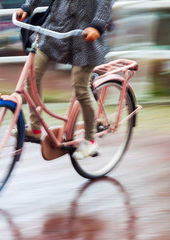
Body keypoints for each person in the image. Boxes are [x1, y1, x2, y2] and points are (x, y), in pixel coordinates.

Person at [15, 0, 113, 160]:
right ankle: (35, 128)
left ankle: (90, 139)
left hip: (86, 36)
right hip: (56, 29)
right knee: (31, 76)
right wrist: (28, 6)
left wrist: (98, 25)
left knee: (81, 88)